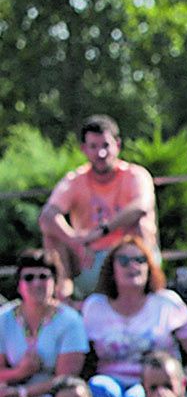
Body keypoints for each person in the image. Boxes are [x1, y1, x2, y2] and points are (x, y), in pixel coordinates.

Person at [81, 239, 187, 397]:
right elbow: (79, 355)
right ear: (112, 268)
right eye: (124, 260)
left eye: (140, 259)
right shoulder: (95, 306)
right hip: (109, 380)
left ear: (150, 266)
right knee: (99, 388)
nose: (132, 265)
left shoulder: (166, 303)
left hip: (154, 383)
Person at [38, 115, 157, 296]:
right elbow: (47, 216)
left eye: (105, 145)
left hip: (128, 260)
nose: (100, 153)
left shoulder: (135, 175)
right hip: (89, 260)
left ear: (117, 145)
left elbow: (141, 206)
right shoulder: (75, 179)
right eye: (93, 146)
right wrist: (75, 240)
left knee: (140, 224)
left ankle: (147, 295)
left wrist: (101, 231)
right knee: (52, 235)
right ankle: (64, 299)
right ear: (84, 149)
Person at [0, 250, 87, 397]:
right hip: (9, 391)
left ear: (54, 282)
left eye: (44, 277)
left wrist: (23, 393)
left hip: (54, 395)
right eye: (29, 277)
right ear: (19, 284)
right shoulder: (4, 319)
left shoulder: (70, 321)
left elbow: (66, 379)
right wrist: (20, 372)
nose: (37, 283)